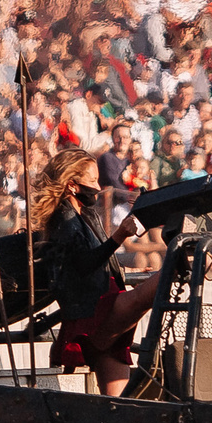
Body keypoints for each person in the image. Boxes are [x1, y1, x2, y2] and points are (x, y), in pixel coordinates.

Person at [33, 147, 155, 394]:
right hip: (95, 310)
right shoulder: (63, 219)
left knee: (119, 404)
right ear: (72, 185)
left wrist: (123, 267)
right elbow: (83, 264)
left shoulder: (85, 214)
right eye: (92, 180)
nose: (98, 187)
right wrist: (119, 236)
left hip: (100, 303)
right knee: (153, 289)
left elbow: (92, 256)